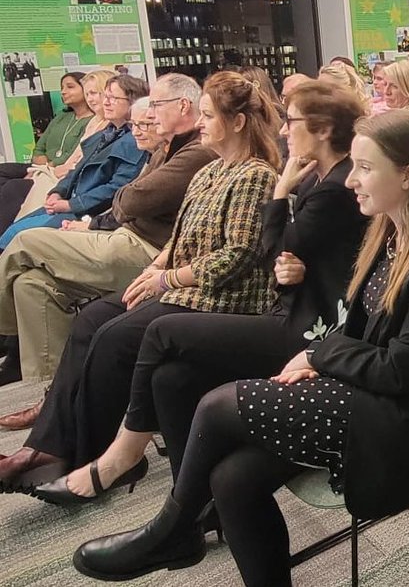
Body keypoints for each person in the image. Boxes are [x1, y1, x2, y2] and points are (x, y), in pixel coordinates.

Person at [69, 111, 409, 585]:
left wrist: (318, 356)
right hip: (372, 394)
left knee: (215, 404)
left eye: (365, 168)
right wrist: (322, 349)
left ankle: (172, 529)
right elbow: (355, 329)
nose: (351, 179)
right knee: (231, 479)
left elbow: (402, 372)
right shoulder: (390, 235)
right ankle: (182, 529)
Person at [35, 81, 369, 507]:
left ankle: (117, 455)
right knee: (157, 368)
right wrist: (163, 268)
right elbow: (284, 255)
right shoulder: (292, 177)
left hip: (290, 322)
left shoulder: (323, 184)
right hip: (289, 310)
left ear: (321, 129)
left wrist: (282, 199)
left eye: (293, 121)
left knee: (145, 335)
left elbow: (263, 251)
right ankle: (191, 508)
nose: (285, 131)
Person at [0, 72, 280, 494]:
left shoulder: (255, 175)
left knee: (116, 336)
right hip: (183, 281)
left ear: (237, 123)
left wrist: (165, 278)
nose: (200, 123)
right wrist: (156, 270)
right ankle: (50, 444)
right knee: (93, 318)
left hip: (222, 296)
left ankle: (89, 456)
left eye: (207, 115)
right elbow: (178, 237)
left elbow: (238, 256)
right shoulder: (212, 171)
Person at [0, 75, 215, 391]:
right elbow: (115, 190)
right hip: (123, 234)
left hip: (149, 251)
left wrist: (97, 210)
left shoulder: (195, 151)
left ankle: (5, 332)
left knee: (25, 241)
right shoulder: (163, 146)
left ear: (182, 106)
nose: (149, 117)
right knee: (32, 284)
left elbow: (131, 197)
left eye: (155, 106)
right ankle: (55, 394)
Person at [0, 75, 149, 249]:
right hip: (71, 203)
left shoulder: (135, 140)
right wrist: (58, 192)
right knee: (10, 233)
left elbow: (117, 188)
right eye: (105, 97)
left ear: (133, 102)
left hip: (90, 212)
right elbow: (76, 169)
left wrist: (70, 204)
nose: (105, 102)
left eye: (113, 98)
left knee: (18, 239)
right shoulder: (106, 133)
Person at [0, 72, 92, 232]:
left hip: (59, 170)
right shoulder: (61, 118)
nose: (63, 91)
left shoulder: (93, 121)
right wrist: (41, 166)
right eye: (62, 88)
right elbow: (38, 149)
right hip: (42, 166)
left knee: (14, 187)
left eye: (70, 87)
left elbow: (73, 155)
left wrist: (48, 166)